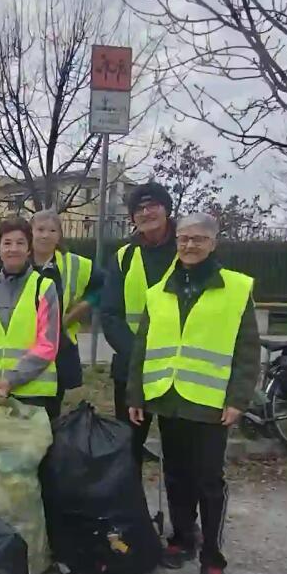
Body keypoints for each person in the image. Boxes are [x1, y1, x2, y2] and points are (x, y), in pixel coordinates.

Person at [127, 212, 260, 574]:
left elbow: (247, 350)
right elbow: (143, 346)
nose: (189, 245)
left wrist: (238, 398)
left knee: (209, 482)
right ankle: (183, 538)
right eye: (184, 238)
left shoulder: (236, 288)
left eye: (198, 239)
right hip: (168, 397)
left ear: (213, 243)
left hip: (211, 403)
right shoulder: (159, 291)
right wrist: (136, 394)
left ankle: (213, 559)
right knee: (176, 475)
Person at [101, 181, 178, 470]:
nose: (146, 213)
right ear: (132, 217)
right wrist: (141, 358)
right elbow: (110, 315)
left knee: (179, 457)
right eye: (139, 209)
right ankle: (129, 514)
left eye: (152, 206)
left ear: (167, 209)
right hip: (133, 371)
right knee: (128, 452)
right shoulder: (124, 257)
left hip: (178, 372)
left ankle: (182, 515)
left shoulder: (188, 250)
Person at [0, 217, 62, 419]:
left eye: (20, 243)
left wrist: (10, 380)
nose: (13, 249)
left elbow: (48, 343)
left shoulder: (44, 287)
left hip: (33, 394)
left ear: (29, 249)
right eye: (7, 243)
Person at [29, 208, 104, 413]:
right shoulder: (19, 262)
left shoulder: (74, 264)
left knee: (52, 407)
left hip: (59, 345)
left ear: (60, 235)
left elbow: (104, 285)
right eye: (40, 229)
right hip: (24, 344)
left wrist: (80, 309)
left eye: (52, 230)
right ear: (31, 232)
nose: (45, 235)